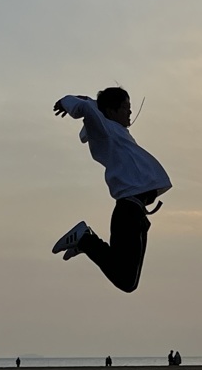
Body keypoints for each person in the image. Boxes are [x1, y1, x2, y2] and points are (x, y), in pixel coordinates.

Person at [52, 86, 171, 294]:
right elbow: (88, 108)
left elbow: (91, 104)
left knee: (129, 281)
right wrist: (67, 101)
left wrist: (86, 99)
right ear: (111, 110)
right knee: (126, 280)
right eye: (126, 108)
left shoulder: (116, 131)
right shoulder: (106, 131)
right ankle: (85, 239)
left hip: (135, 211)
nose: (130, 113)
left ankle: (85, 242)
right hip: (128, 211)